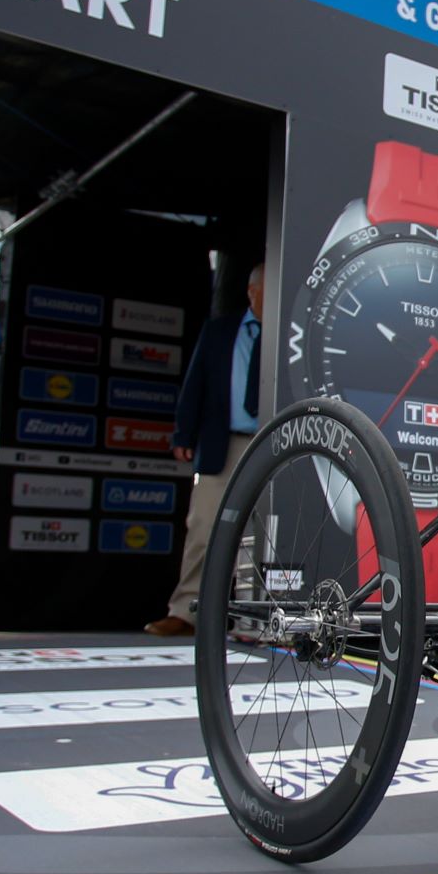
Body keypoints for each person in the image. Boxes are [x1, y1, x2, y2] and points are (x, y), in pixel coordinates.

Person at [147, 263, 265, 636]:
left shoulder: (289, 330)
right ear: (251, 291)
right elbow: (195, 382)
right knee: (204, 527)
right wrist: (184, 434)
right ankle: (187, 611)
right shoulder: (220, 331)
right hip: (224, 443)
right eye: (267, 288)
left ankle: (253, 617)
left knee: (262, 532)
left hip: (272, 445)